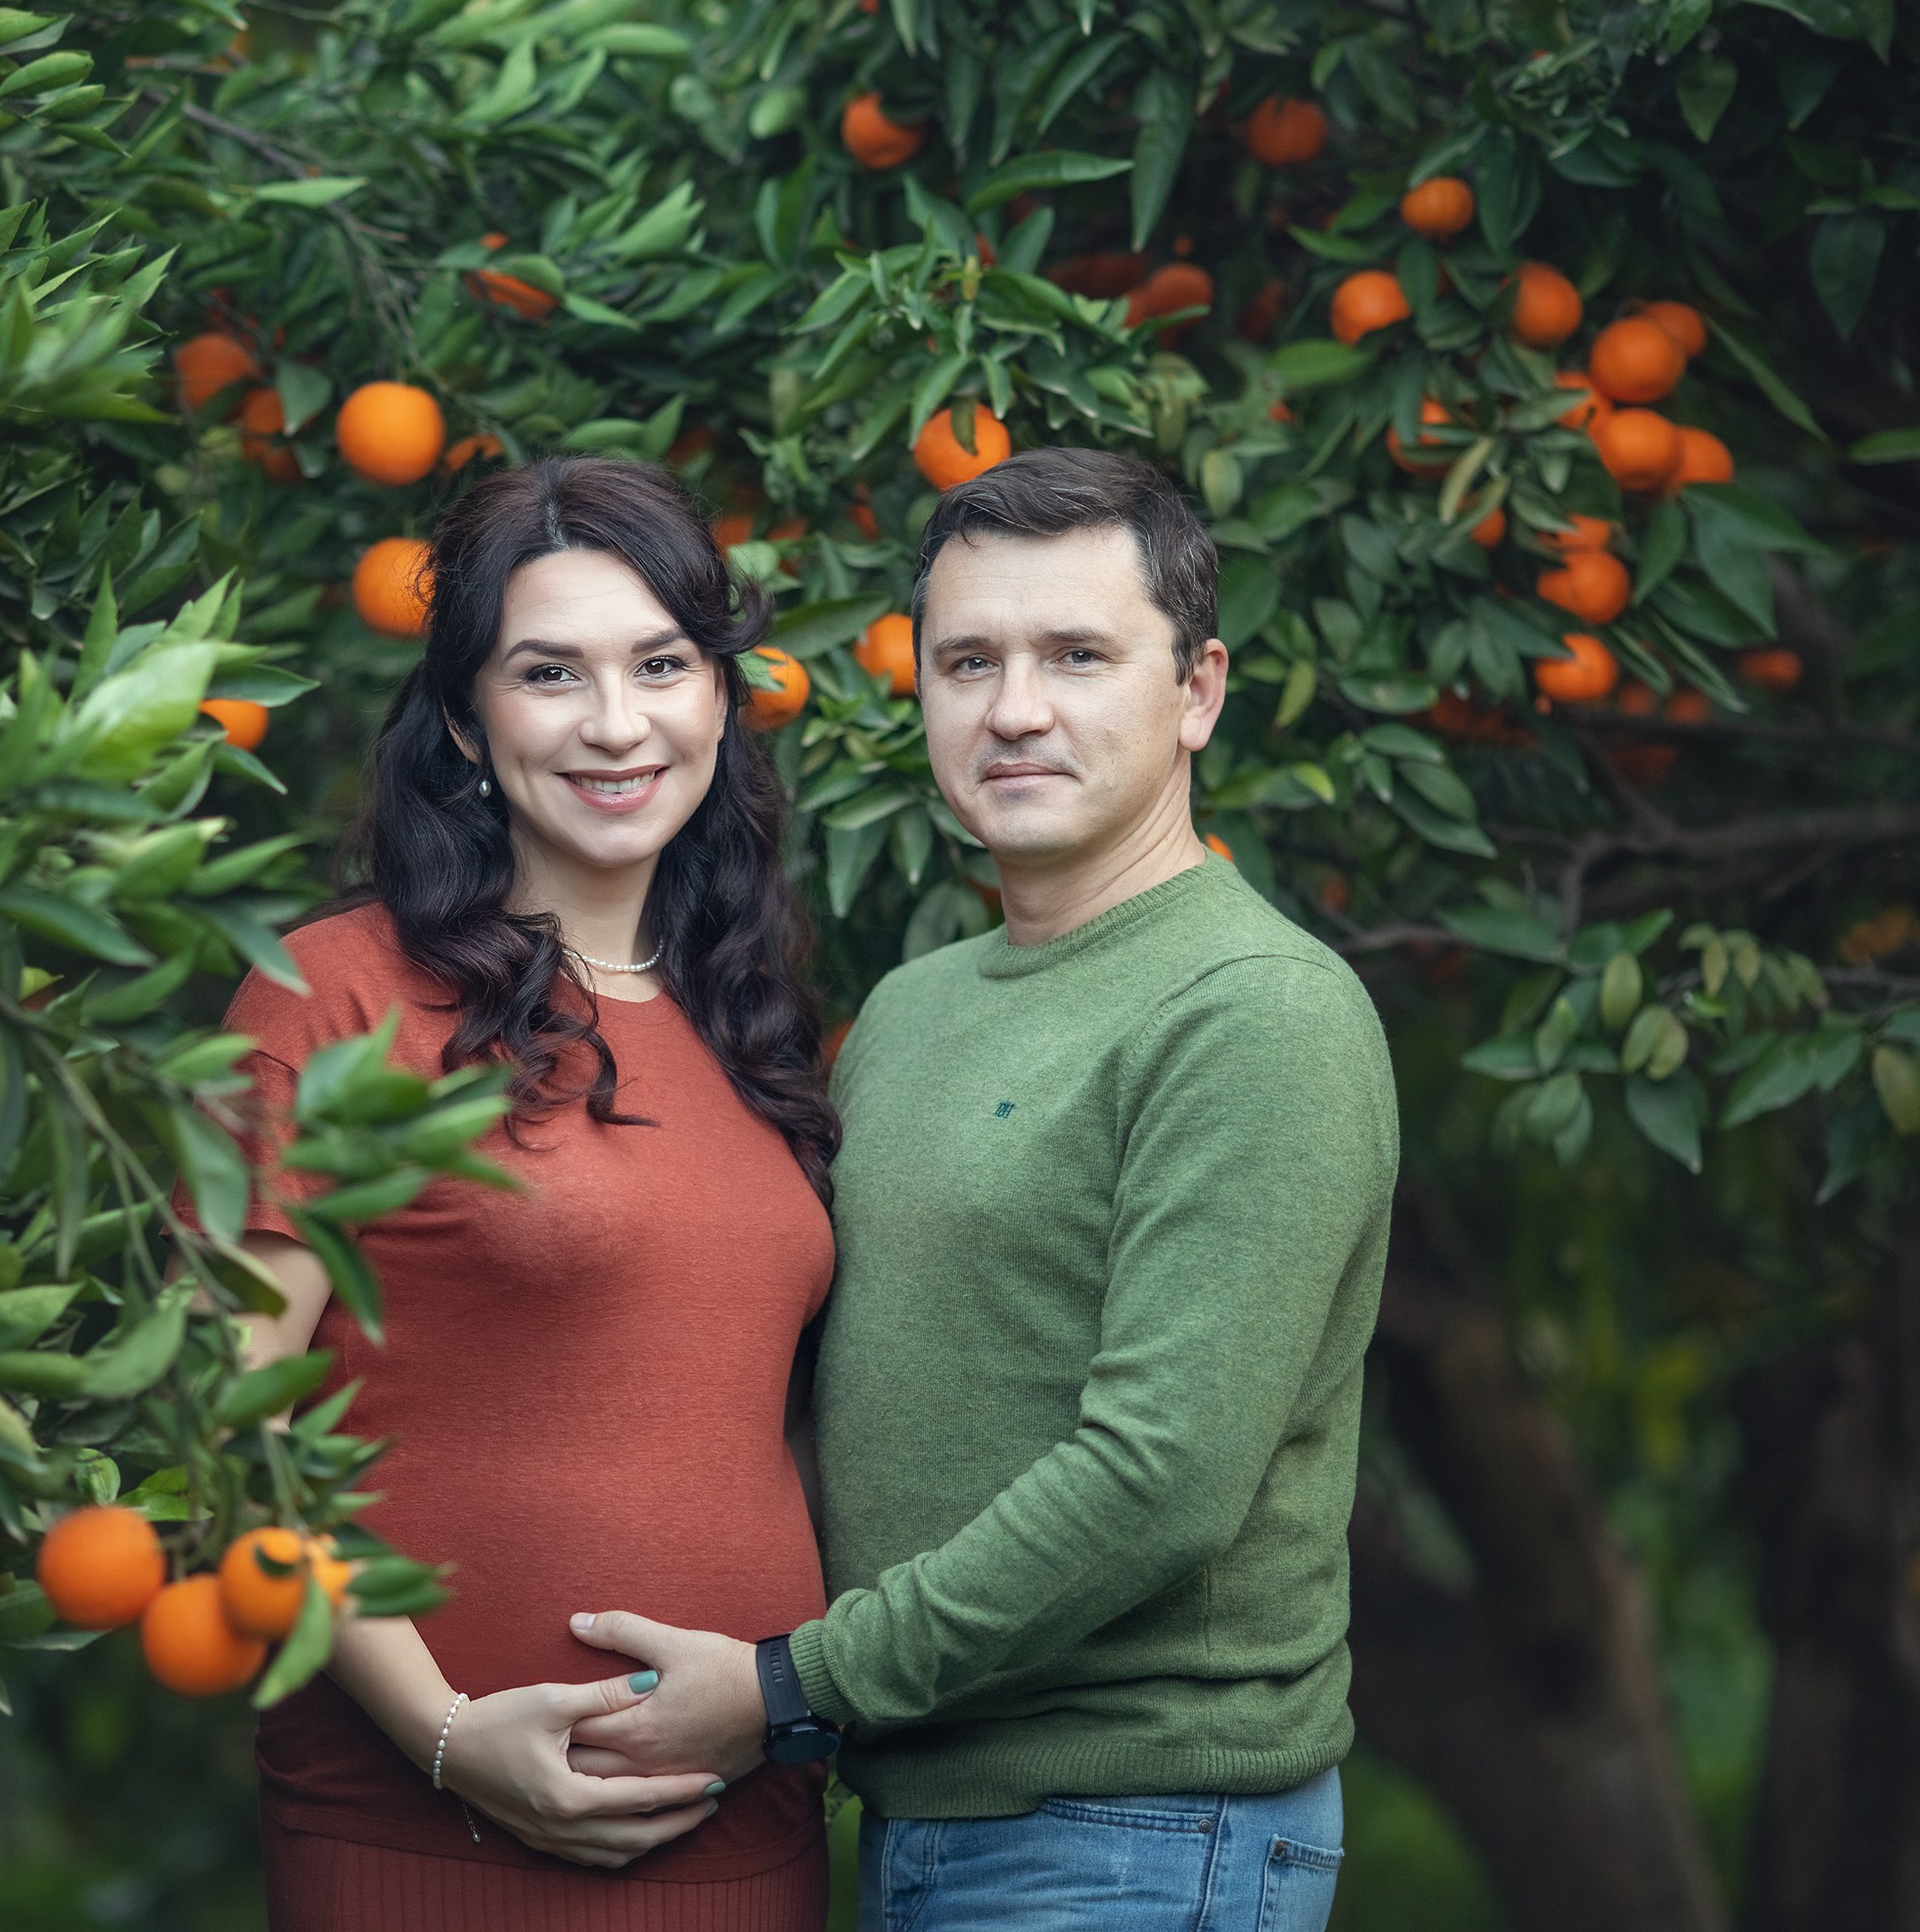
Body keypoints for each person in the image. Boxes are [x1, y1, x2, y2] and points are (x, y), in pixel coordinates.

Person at [565, 447, 1401, 1932]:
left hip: (1143, 1828)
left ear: (1197, 690)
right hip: (930, 1815)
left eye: (1078, 655)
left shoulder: (1258, 1010)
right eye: (969, 661)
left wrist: (784, 1688)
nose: (1015, 708)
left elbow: (1158, 1482)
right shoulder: (913, 1007)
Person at [226, 456, 840, 1931]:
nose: (616, 724)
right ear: (462, 717)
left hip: (748, 1841)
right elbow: (214, 1416)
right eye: (550, 672)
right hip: (426, 1838)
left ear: (717, 697)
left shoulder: (755, 1025)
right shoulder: (336, 994)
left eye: (661, 666)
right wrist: (444, 1732)